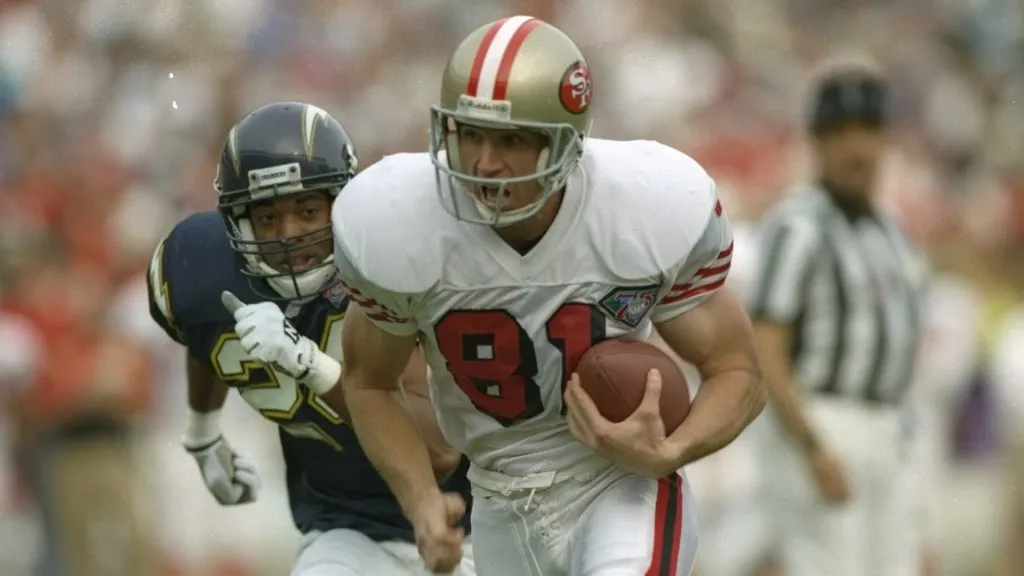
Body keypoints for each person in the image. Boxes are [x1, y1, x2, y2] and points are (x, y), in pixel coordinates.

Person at [330, 16, 765, 576]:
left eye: (512, 139)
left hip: (619, 482)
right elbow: (369, 381)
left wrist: (671, 452)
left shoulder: (639, 208)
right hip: (496, 498)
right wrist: (421, 500)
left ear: (565, 142)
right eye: (470, 134)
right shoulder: (403, 223)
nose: (485, 163)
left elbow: (739, 372)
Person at [146, 101, 475, 576]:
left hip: (463, 526)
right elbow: (204, 336)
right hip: (343, 527)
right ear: (238, 222)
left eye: (307, 210)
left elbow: (438, 450)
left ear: (342, 203)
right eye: (267, 219)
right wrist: (202, 431)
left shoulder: (385, 262)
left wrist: (309, 364)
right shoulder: (202, 267)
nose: (289, 236)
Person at [746, 57, 926, 576]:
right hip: (823, 417)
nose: (857, 147)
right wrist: (810, 443)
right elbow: (768, 345)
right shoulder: (797, 224)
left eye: (868, 130)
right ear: (818, 142)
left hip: (887, 426)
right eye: (841, 132)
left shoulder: (890, 231)